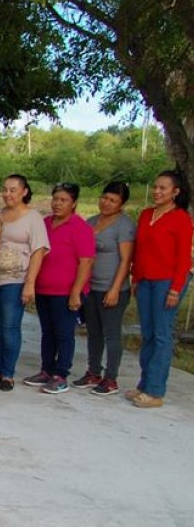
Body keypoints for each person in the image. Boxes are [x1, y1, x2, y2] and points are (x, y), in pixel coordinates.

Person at [127, 170, 193, 408]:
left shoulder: (181, 218)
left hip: (167, 281)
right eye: (155, 187)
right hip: (145, 280)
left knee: (162, 335)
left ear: (175, 192)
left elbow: (184, 259)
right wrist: (135, 277)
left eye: (163, 188)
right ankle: (144, 384)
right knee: (148, 334)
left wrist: (176, 289)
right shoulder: (146, 215)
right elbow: (139, 250)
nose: (157, 192)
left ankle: (155, 391)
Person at [24, 183, 96, 395]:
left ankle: (61, 374)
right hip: (43, 289)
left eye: (63, 200)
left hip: (65, 291)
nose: (57, 204)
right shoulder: (45, 223)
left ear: (74, 203)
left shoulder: (80, 228)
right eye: (55, 199)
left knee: (64, 334)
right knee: (47, 332)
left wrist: (76, 291)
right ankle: (46, 370)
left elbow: (86, 262)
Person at [0, 175, 48, 392]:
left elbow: (39, 251)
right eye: (5, 190)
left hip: (16, 280)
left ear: (24, 192)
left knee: (10, 327)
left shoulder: (33, 218)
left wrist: (30, 283)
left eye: (13, 190)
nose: (8, 194)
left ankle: (8, 373)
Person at [77, 181, 135, 396]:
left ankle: (111, 378)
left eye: (113, 200)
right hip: (91, 287)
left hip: (113, 289)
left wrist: (115, 288)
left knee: (112, 334)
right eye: (104, 197)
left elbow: (125, 260)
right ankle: (93, 372)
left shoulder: (124, 225)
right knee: (94, 332)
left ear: (121, 204)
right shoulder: (91, 222)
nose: (106, 203)